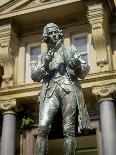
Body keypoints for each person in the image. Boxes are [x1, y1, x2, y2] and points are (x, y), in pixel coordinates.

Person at [31, 23, 91, 155]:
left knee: (68, 129)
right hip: (50, 91)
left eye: (55, 32)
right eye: (50, 33)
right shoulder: (42, 57)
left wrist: (76, 66)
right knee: (42, 127)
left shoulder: (70, 50)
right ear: (46, 37)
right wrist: (45, 64)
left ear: (59, 33)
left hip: (68, 89)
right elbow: (34, 76)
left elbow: (85, 70)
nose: (54, 35)